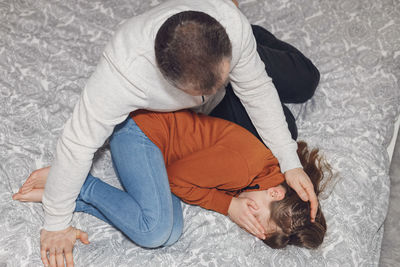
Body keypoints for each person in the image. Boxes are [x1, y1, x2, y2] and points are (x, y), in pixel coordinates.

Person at [30, 0, 321, 266]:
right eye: (203, 91)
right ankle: (81, 187)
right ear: (168, 80)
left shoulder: (229, 23)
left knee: (292, 110)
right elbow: (76, 144)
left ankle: (238, 61)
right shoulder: (123, 73)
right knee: (157, 230)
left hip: (199, 108)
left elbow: (255, 88)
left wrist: (289, 159)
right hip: (146, 128)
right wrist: (56, 222)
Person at [14, 109, 329, 251]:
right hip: (140, 131)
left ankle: (75, 198)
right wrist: (228, 204)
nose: (248, 218)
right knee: (154, 230)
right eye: (255, 215)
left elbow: (184, 179)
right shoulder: (244, 165)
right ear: (275, 192)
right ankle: (78, 185)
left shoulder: (262, 177)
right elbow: (175, 178)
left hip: (162, 152)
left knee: (171, 233)